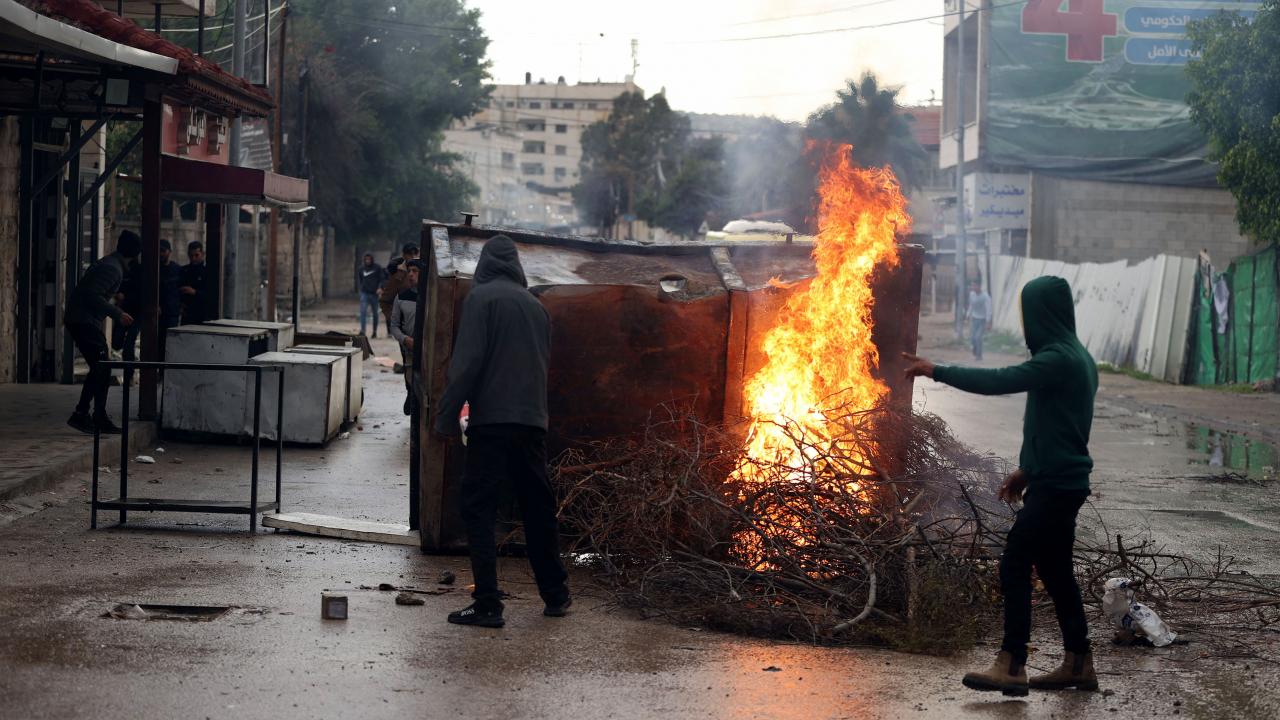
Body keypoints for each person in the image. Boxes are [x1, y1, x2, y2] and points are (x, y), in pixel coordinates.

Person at [902, 276, 1098, 697]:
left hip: (1057, 486)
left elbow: (999, 380)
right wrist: (1025, 472)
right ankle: (1078, 662)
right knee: (1055, 570)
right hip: (1059, 481)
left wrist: (937, 370)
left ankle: (1011, 664)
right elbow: (1062, 428)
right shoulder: (1076, 357)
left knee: (1014, 563)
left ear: (1042, 315)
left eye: (1029, 313)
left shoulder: (1058, 359)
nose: (1026, 323)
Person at [434, 235, 570, 628]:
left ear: (485, 265)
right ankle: (556, 594)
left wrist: (445, 418)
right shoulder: (537, 307)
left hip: (492, 422)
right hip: (531, 423)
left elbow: (467, 366)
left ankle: (488, 603)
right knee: (537, 509)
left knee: (479, 508)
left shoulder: (481, 300)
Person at [64, 230, 140, 434]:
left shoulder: (111, 264)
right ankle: (82, 414)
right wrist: (118, 313)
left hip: (83, 320)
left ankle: (97, 415)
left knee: (102, 367)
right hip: (83, 320)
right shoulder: (113, 269)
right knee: (101, 366)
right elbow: (92, 296)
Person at [389, 260, 421, 416]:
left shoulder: (433, 297)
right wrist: (404, 339)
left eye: (415, 271)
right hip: (409, 351)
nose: (411, 274)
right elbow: (394, 326)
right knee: (412, 384)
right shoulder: (401, 297)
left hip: (428, 353)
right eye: (409, 271)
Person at [379, 243, 421, 335]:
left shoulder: (425, 271)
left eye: (415, 253)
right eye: (410, 254)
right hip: (406, 331)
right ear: (404, 255)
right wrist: (396, 322)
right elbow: (384, 301)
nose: (413, 256)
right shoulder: (398, 276)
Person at [158, 239, 182, 356]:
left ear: (169, 252)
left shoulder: (177, 270)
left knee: (169, 344)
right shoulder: (155, 270)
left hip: (172, 313)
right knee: (158, 344)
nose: (161, 254)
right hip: (158, 314)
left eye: (163, 251)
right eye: (159, 251)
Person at [357, 253, 386, 337]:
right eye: (366, 259)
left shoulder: (377, 268)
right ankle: (363, 331)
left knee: (375, 313)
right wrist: (361, 288)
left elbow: (382, 279)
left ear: (372, 259)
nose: (367, 261)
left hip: (374, 294)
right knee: (363, 312)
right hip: (364, 293)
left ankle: (374, 331)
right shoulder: (361, 268)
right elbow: (360, 279)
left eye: (369, 259)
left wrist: (380, 288)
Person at [179, 241, 208, 325]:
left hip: (201, 313)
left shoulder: (207, 272)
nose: (193, 258)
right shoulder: (184, 271)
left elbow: (211, 295)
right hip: (187, 313)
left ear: (202, 254)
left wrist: (195, 292)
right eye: (191, 256)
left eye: (196, 255)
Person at [967, 278, 993, 361]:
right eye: (972, 285)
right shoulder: (972, 294)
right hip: (974, 319)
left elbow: (989, 309)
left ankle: (979, 356)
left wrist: (988, 322)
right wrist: (968, 314)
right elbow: (971, 305)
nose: (972, 287)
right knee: (973, 337)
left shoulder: (985, 296)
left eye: (974, 285)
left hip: (982, 320)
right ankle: (975, 350)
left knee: (978, 337)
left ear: (979, 286)